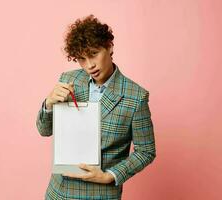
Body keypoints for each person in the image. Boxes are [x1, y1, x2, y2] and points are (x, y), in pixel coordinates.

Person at [36, 14, 156, 200]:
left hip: (101, 194)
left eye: (93, 54)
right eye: (81, 59)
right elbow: (44, 131)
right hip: (58, 192)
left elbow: (146, 151)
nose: (89, 65)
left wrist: (110, 175)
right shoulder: (68, 79)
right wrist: (48, 104)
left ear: (109, 46)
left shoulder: (136, 97)